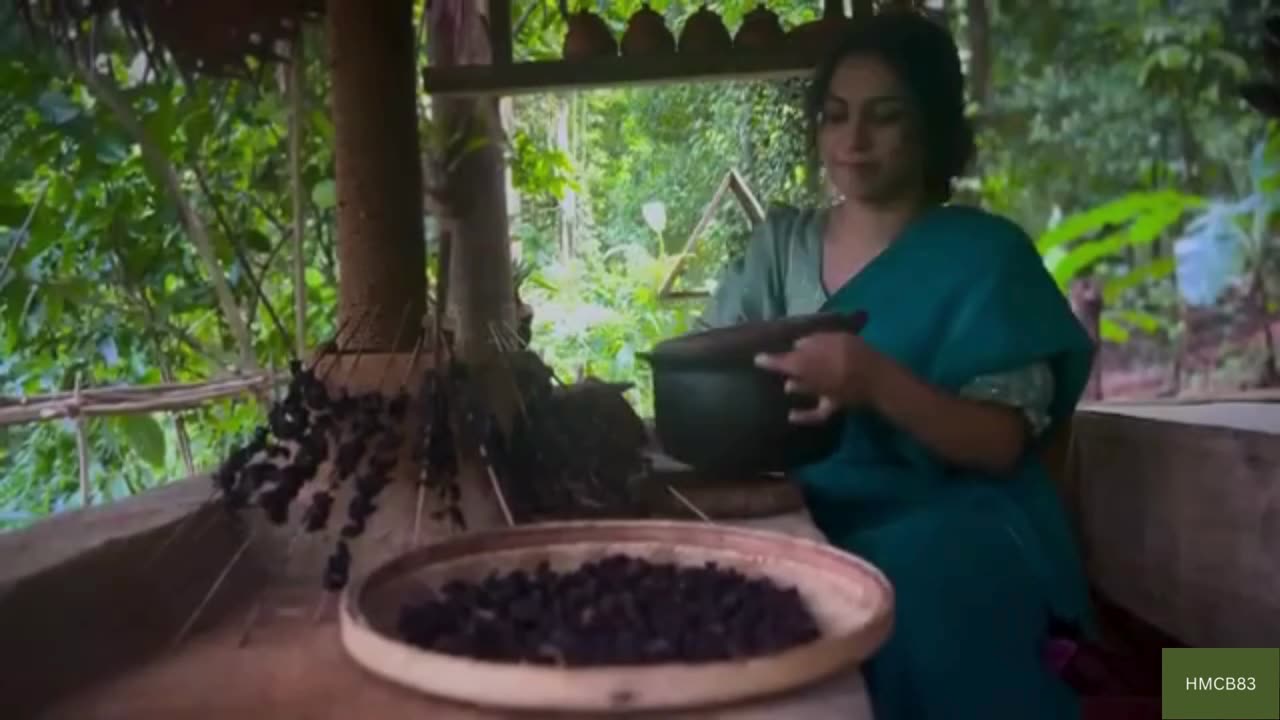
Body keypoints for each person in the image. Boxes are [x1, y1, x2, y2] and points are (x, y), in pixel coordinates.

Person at [695, 11, 1095, 720]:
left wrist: (873, 379)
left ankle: (1240, 688)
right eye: (836, 115)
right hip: (803, 513)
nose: (852, 139)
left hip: (955, 519)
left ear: (932, 128)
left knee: (896, 587)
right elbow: (713, 367)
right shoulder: (779, 250)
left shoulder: (986, 258)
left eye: (884, 117)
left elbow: (1001, 444)